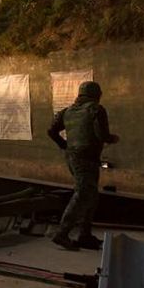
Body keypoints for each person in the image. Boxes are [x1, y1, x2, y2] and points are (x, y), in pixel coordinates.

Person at [47, 80, 120, 250]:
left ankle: (85, 235)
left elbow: (51, 131)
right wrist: (113, 139)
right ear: (96, 95)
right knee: (82, 194)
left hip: (73, 157)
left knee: (91, 196)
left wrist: (64, 145)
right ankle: (62, 233)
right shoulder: (96, 110)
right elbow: (102, 135)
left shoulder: (67, 111)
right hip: (87, 158)